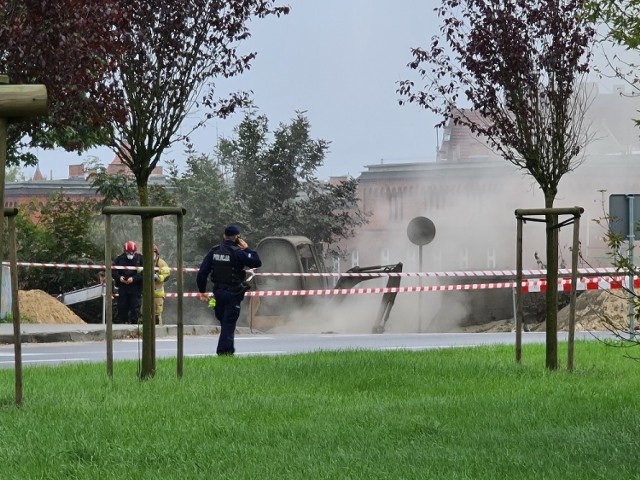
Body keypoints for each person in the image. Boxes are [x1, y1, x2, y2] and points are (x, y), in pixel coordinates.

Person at [196, 224, 262, 355]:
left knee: (224, 321)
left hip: (218, 292)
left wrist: (202, 290)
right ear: (237, 238)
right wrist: (247, 248)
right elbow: (256, 262)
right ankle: (224, 352)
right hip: (233, 293)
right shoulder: (238, 253)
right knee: (228, 323)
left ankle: (225, 349)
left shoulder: (214, 251)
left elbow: (202, 272)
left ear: (224, 236)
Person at [112, 240, 143, 324]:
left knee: (135, 307)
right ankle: (121, 324)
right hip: (123, 287)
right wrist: (119, 278)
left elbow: (144, 273)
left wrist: (134, 278)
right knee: (122, 307)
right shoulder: (120, 259)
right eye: (128, 252)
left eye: (132, 252)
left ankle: (135, 325)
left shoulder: (140, 258)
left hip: (136, 288)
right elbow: (113, 271)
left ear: (135, 251)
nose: (130, 254)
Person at [152, 244, 171, 325]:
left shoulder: (161, 263)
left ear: (156, 253)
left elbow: (167, 275)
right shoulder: (143, 261)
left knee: (157, 314)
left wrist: (158, 277)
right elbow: (138, 271)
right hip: (145, 294)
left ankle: (158, 332)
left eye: (153, 253)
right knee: (144, 314)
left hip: (158, 295)